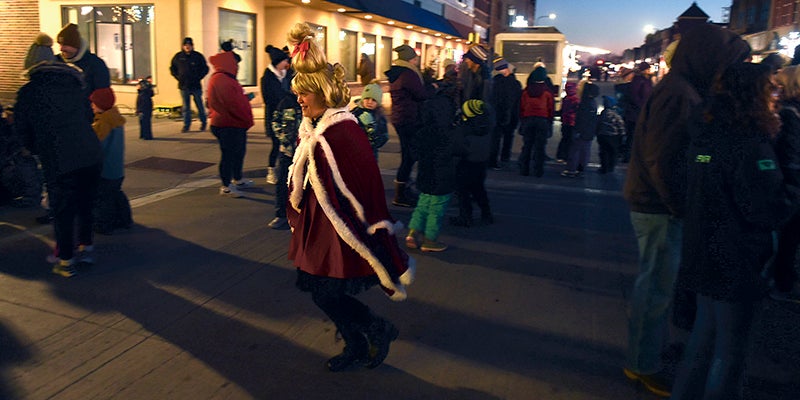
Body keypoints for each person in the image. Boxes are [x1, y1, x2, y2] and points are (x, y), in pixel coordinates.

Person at [622, 25, 751, 398]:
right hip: (658, 206)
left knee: (657, 285)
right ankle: (642, 363)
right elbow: (662, 158)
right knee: (656, 287)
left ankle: (647, 355)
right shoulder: (679, 94)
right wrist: (680, 206)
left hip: (656, 203)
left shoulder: (681, 88)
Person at [285, 22, 414, 372]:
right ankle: (358, 342)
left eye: (304, 93)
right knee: (320, 290)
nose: (298, 99)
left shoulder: (342, 132)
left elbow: (361, 191)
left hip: (339, 227)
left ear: (323, 94)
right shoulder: (318, 128)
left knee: (326, 292)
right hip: (321, 222)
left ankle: (376, 329)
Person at [671, 62, 799, 400]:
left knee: (702, 343)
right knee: (730, 355)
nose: (776, 96)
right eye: (771, 89)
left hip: (702, 252)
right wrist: (793, 179)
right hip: (738, 260)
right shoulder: (750, 144)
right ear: (754, 94)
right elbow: (769, 210)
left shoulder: (706, 132)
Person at [16, 33, 102, 277]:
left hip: (59, 158)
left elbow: (23, 130)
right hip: (90, 153)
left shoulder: (29, 92)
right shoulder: (74, 84)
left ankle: (66, 261)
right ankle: (87, 249)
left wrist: (34, 149)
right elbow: (87, 117)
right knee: (85, 204)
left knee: (63, 210)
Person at [405, 75, 460, 251]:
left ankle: (412, 233)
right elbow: (459, 152)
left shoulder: (423, 131)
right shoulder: (450, 133)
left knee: (422, 205)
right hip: (443, 178)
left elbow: (413, 151)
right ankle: (430, 239)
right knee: (436, 210)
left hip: (424, 175)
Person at [385, 44, 430, 207]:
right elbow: (421, 94)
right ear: (410, 59)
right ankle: (400, 194)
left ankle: (403, 189)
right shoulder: (408, 73)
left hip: (400, 118)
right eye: (415, 57)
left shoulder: (396, 72)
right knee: (409, 156)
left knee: (408, 154)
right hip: (408, 118)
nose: (417, 60)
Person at [770, 65, 800, 302]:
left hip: (791, 179)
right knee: (788, 234)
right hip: (791, 181)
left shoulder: (788, 111)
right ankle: (782, 280)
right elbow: (789, 153)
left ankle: (785, 275)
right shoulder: (789, 113)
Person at [207, 50, 254, 198]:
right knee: (228, 155)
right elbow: (232, 104)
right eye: (236, 64)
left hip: (233, 123)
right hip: (227, 124)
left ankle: (237, 179)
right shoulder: (222, 79)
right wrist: (245, 108)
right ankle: (226, 186)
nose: (238, 67)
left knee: (238, 153)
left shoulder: (224, 78)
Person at [89, 87, 132, 235]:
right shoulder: (116, 119)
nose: (91, 106)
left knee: (103, 199)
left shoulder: (104, 124)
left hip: (106, 169)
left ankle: (104, 225)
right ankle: (125, 220)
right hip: (117, 169)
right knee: (115, 194)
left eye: (93, 103)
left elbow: (97, 145)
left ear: (100, 105)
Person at [450, 99, 495, 227]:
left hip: (466, 162)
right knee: (479, 189)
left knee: (462, 192)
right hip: (481, 163)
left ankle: (465, 217)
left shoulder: (465, 128)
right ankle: (486, 213)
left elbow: (458, 147)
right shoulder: (487, 125)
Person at [55, 23, 111, 123]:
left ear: (76, 45)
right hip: (59, 120)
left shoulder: (95, 64)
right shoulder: (55, 62)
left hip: (85, 119)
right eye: (60, 44)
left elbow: (102, 95)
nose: (61, 48)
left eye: (65, 45)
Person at [267, 92, 300, 230]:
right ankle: (281, 215)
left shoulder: (313, 101)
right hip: (287, 151)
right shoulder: (286, 102)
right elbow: (275, 120)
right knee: (282, 182)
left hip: (304, 151)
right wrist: (283, 137)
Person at [261, 44, 293, 185]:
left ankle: (286, 171)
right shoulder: (267, 78)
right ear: (278, 62)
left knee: (288, 145)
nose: (287, 63)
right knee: (276, 144)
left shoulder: (288, 75)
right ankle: (271, 170)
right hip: (274, 116)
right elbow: (268, 99)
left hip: (290, 116)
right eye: (285, 61)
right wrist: (285, 98)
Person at [518, 66, 554, 177]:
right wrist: (550, 122)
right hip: (542, 120)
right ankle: (538, 170)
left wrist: (522, 120)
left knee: (527, 145)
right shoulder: (547, 92)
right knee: (540, 147)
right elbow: (550, 108)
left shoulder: (526, 91)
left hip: (528, 119)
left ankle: (524, 169)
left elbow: (522, 107)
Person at [170, 37, 209, 133]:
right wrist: (178, 77)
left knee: (199, 104)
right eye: (185, 45)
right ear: (183, 46)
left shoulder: (197, 56)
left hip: (195, 85)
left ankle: (203, 122)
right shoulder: (178, 57)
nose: (187, 47)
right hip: (184, 85)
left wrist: (199, 77)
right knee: (186, 107)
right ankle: (186, 125)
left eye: (189, 45)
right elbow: (172, 68)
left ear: (192, 46)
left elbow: (205, 68)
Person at [488, 56, 521, 170]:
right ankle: (504, 158)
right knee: (508, 138)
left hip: (496, 114)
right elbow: (516, 101)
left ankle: (492, 160)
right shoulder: (515, 83)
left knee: (495, 139)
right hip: (510, 115)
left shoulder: (494, 83)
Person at [562, 82, 599, 177]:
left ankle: (571, 169)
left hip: (580, 130)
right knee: (585, 150)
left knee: (575, 149)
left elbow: (581, 118)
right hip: (589, 131)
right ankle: (581, 168)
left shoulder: (584, 103)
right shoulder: (593, 103)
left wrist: (578, 129)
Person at [350, 81, 388, 161]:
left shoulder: (379, 117)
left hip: (370, 156)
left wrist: (371, 126)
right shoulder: (355, 113)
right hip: (353, 155)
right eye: (367, 98)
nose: (370, 102)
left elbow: (382, 140)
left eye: (374, 100)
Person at [596, 95, 626, 174]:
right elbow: (620, 124)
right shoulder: (615, 114)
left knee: (603, 152)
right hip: (613, 136)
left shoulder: (603, 113)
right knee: (613, 152)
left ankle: (604, 167)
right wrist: (622, 134)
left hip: (603, 135)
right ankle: (611, 167)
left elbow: (598, 123)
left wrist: (597, 132)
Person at [556, 81, 580, 164]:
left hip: (565, 122)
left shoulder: (566, 98)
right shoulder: (576, 99)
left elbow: (562, 110)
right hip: (572, 122)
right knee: (571, 141)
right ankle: (567, 157)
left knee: (564, 139)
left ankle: (560, 156)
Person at [136, 76, 154, 140]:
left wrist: (138, 110)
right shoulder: (146, 93)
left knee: (144, 121)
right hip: (147, 108)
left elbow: (140, 104)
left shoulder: (142, 95)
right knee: (146, 121)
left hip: (143, 109)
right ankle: (144, 134)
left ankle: (145, 135)